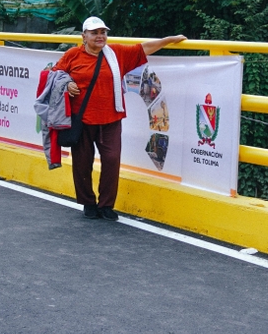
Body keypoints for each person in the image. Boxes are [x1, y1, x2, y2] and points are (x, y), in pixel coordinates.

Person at [53, 16, 186, 221]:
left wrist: (168, 39)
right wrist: (66, 82)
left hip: (110, 119)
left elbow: (144, 49)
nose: (100, 36)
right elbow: (54, 75)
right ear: (84, 36)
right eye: (94, 33)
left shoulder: (115, 53)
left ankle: (106, 205)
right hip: (81, 120)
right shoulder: (72, 55)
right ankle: (88, 203)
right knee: (81, 162)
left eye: (103, 32)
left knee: (112, 160)